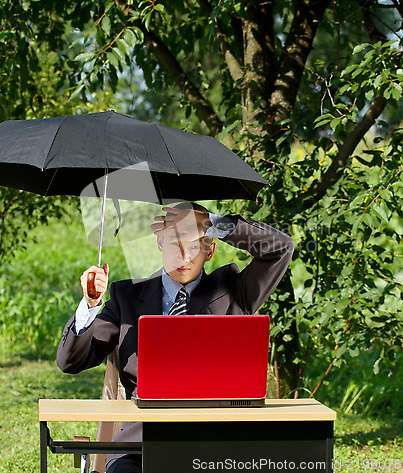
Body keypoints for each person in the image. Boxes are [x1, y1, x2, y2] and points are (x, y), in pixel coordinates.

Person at [57, 203, 294, 473]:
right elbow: (70, 362)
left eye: (194, 246)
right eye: (174, 244)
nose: (183, 257)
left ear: (210, 250)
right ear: (160, 244)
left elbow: (281, 248)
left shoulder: (234, 291)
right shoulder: (127, 298)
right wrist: (90, 303)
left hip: (215, 445)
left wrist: (214, 223)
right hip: (140, 446)